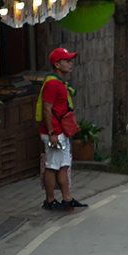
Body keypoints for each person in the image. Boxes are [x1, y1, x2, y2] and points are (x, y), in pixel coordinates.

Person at [36, 47, 84, 211]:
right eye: (67, 61)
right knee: (51, 166)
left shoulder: (61, 83)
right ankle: (50, 201)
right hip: (54, 133)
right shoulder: (52, 84)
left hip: (61, 132)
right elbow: (46, 109)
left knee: (63, 165)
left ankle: (67, 198)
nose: (70, 64)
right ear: (57, 64)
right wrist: (52, 133)